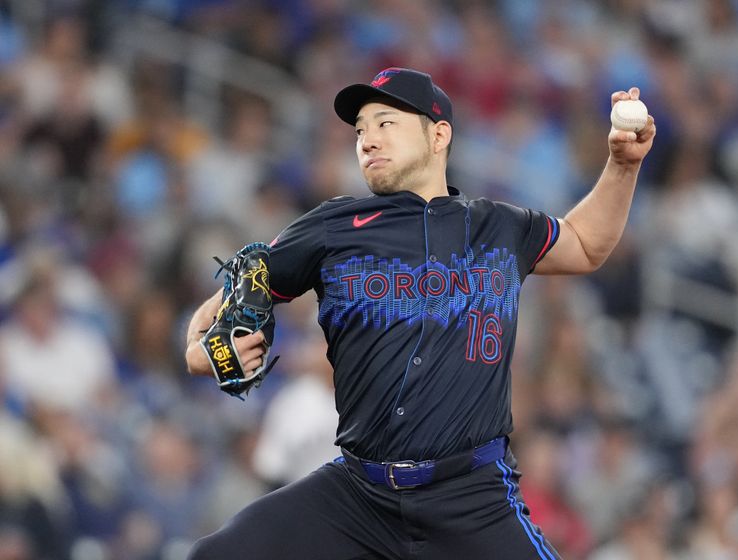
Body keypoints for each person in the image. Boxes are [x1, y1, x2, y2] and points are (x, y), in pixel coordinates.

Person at [184, 67, 655, 559]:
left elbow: (584, 245)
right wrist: (204, 352)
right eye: (361, 129)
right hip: (358, 497)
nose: (367, 139)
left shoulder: (498, 228)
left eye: (385, 123)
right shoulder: (334, 227)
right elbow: (231, 297)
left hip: (470, 498)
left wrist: (622, 166)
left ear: (439, 134)